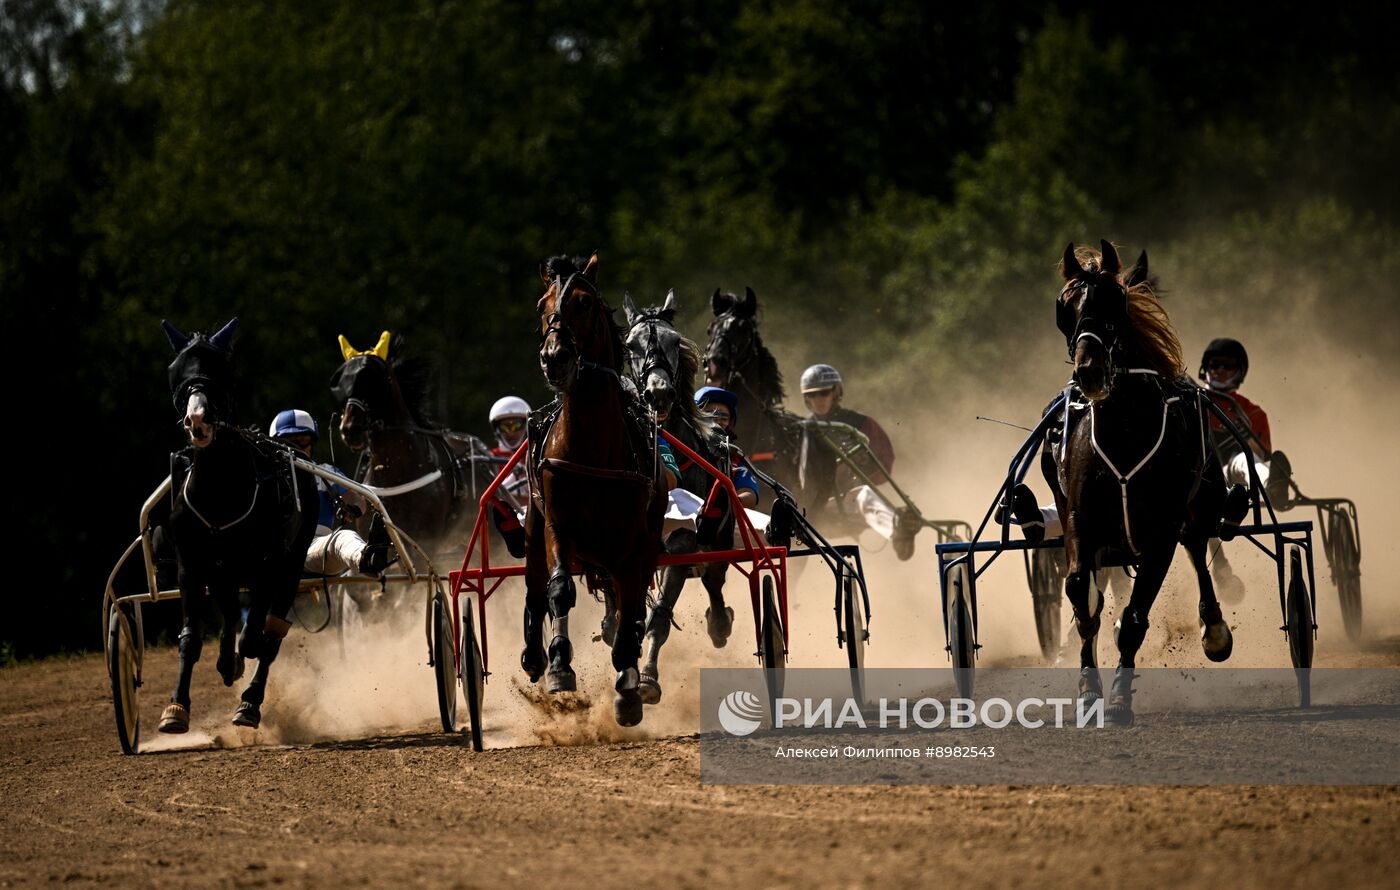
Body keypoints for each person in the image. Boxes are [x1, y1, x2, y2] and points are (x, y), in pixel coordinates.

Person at [269, 409, 394, 578]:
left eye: (302, 441)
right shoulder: (265, 476)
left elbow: (357, 499)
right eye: (289, 442)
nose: (296, 448)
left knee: (343, 538)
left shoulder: (325, 473)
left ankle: (368, 560)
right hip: (271, 554)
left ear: (312, 444)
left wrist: (352, 509)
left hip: (314, 549)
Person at [796, 363, 901, 546]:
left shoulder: (860, 423)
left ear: (836, 393)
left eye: (824, 393)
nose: (818, 399)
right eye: (812, 394)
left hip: (850, 501)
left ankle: (899, 532)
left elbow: (885, 462)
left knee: (863, 493)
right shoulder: (801, 430)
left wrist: (863, 465)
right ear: (806, 398)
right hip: (817, 507)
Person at [1198, 338, 1291, 506]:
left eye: (1228, 366)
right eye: (1215, 364)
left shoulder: (1252, 413)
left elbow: (1258, 455)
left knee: (1243, 460)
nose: (1220, 370)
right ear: (1206, 368)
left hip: (1227, 476)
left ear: (1240, 372)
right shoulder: (1190, 400)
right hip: (1193, 472)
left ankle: (1272, 488)